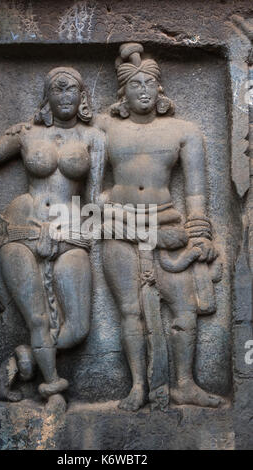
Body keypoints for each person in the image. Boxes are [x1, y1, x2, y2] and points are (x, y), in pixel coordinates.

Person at [94, 43, 224, 411]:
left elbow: (196, 194)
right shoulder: (104, 127)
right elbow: (81, 164)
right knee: (130, 311)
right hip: (120, 228)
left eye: (150, 83)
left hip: (169, 225)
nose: (144, 90)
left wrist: (200, 235)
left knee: (184, 309)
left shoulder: (184, 131)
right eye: (135, 84)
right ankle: (138, 386)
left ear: (160, 88)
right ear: (123, 91)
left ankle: (183, 383)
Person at [0, 67, 105, 401]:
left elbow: (93, 199)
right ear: (46, 96)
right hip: (22, 227)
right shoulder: (27, 132)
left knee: (78, 327)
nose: (65, 96)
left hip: (69, 231)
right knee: (37, 317)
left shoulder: (94, 137)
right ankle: (53, 390)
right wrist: (14, 134)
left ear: (82, 97)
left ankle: (24, 358)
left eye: (72, 90)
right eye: (58, 89)